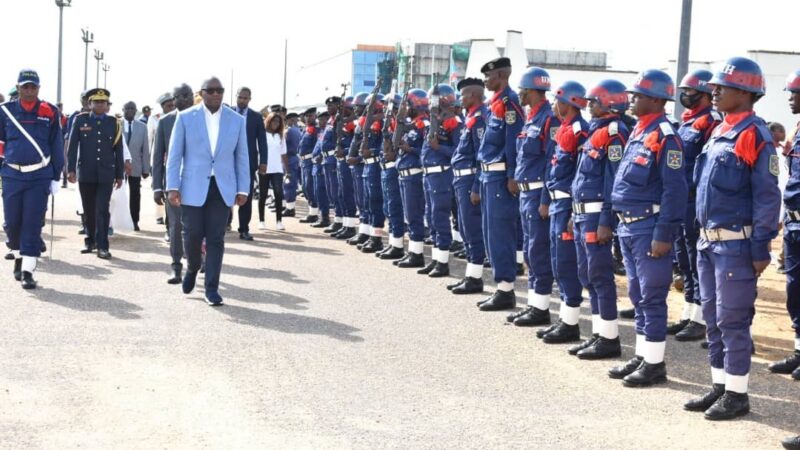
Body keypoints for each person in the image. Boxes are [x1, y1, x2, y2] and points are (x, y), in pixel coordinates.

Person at [685, 57, 780, 420]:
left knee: (732, 319)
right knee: (711, 316)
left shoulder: (754, 134)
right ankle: (720, 385)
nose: (715, 92)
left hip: (737, 245)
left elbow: (767, 196)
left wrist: (760, 247)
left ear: (744, 92)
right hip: (709, 243)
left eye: (722, 87)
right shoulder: (721, 131)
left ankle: (738, 395)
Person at [607, 69, 687, 387]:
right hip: (629, 227)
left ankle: (655, 365)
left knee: (652, 296)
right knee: (638, 295)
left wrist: (664, 233)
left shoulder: (665, 136)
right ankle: (643, 355)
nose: (632, 99)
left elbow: (675, 189)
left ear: (656, 99)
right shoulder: (641, 131)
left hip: (648, 226)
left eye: (638, 95)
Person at [166, 77, 250, 306]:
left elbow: (242, 157)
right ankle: (192, 267)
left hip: (222, 188)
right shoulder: (185, 118)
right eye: (210, 90)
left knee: (216, 238)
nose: (215, 94)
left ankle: (212, 288)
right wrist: (172, 187)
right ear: (201, 93)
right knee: (192, 234)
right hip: (192, 186)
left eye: (219, 90)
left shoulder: (236, 120)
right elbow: (174, 156)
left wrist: (243, 188)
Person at [568, 79, 631, 359]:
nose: (589, 105)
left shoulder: (615, 132)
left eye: (594, 101)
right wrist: (573, 213)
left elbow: (613, 180)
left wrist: (607, 220)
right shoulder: (596, 131)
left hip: (596, 217)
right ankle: (598, 333)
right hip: (583, 214)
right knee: (587, 275)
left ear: (610, 103)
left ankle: (609, 339)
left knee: (600, 276)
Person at [668, 70, 723, 341]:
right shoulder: (686, 122)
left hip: (694, 201)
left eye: (689, 91)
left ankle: (701, 319)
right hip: (679, 200)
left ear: (703, 94)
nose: (684, 95)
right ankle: (688, 312)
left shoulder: (709, 122)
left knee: (695, 258)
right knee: (684, 259)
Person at [0, 69, 64, 289]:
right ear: (17, 88)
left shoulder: (49, 111)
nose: (29, 90)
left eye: (33, 87)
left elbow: (56, 144)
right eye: (25, 86)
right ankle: (18, 256)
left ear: (38, 88)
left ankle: (28, 269)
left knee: (32, 222)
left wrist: (56, 176)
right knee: (12, 223)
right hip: (12, 175)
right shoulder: (5, 112)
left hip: (38, 176)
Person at [534, 81, 588, 343]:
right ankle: (564, 319)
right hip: (556, 203)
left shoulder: (580, 131)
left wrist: (572, 214)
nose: (554, 104)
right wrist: (545, 199)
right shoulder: (564, 129)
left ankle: (570, 324)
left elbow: (580, 175)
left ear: (569, 103)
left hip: (567, 204)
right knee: (557, 262)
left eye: (557, 100)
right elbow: (552, 168)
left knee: (567, 265)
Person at [504, 68, 556, 319]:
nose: (520, 94)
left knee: (538, 250)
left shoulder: (549, 119)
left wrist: (546, 199)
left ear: (533, 90)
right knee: (529, 250)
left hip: (538, 195)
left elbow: (551, 162)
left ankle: (541, 308)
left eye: (523, 90)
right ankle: (534, 304)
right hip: (526, 194)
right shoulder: (531, 118)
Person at [474, 57, 525, 311]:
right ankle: (500, 287)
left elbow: (513, 140)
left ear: (502, 76)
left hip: (501, 176)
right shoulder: (494, 104)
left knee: (500, 233)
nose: (485, 80)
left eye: (488, 76)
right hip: (488, 175)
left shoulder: (509, 102)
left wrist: (513, 174)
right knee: (489, 234)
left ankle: (506, 290)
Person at [67, 88, 124, 260]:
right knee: (88, 210)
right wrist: (70, 169)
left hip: (106, 173)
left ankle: (103, 245)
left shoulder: (114, 123)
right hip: (86, 172)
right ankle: (90, 240)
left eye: (103, 102)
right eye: (96, 102)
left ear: (107, 105)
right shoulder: (80, 120)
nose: (100, 105)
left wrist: (119, 174)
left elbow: (118, 151)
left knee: (102, 209)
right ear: (89, 104)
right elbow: (72, 147)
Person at [769, 70, 800, 379]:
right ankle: (798, 350)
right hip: (793, 224)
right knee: (794, 291)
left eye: (794, 93)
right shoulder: (798, 128)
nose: (789, 98)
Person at [447, 78, 489, 294]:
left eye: (463, 95)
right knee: (465, 228)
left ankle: (475, 279)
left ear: (473, 96)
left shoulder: (481, 119)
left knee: (472, 230)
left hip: (470, 179)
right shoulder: (470, 118)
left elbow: (482, 155)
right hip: (460, 178)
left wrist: (476, 186)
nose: (459, 99)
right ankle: (470, 275)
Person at [152, 83, 194, 284]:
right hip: (174, 184)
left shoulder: (203, 118)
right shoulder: (165, 122)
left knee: (196, 226)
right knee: (176, 226)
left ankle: (195, 261)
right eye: (181, 96)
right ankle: (176, 266)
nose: (186, 99)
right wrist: (158, 187)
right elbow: (158, 155)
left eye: (189, 95)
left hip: (198, 183)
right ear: (173, 100)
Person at [393, 89, 430, 268]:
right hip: (404, 174)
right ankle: (413, 251)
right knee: (409, 215)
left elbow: (428, 150)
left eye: (407, 104)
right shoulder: (411, 124)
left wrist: (411, 150)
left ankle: (417, 255)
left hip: (414, 175)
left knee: (414, 215)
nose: (405, 108)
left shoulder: (424, 124)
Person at [230, 87, 268, 241]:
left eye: (246, 98)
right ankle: (224, 223)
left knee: (246, 195)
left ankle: (244, 228)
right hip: (227, 162)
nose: (242, 100)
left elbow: (262, 141)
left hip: (248, 164)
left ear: (250, 99)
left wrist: (263, 162)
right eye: (240, 97)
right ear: (236, 97)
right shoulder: (227, 113)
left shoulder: (256, 117)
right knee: (225, 194)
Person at [374, 93, 406, 258]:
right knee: (388, 207)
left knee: (395, 207)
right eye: (385, 104)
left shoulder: (402, 123)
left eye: (389, 104)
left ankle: (398, 245)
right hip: (386, 167)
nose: (385, 107)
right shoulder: (389, 123)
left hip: (394, 168)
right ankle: (393, 243)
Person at [357, 93, 388, 253]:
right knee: (367, 201)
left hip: (376, 165)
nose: (367, 108)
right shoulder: (369, 121)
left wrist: (372, 151)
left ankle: (376, 238)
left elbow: (385, 145)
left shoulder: (383, 121)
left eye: (370, 106)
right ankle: (368, 234)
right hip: (367, 166)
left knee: (376, 202)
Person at [332, 97, 359, 241]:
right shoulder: (343, 122)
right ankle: (345, 225)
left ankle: (350, 227)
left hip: (348, 161)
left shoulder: (354, 124)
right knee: (341, 194)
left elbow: (357, 143)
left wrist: (346, 150)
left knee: (348, 194)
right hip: (340, 161)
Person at [121, 101, 151, 231]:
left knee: (135, 194)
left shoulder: (142, 127)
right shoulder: (116, 124)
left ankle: (134, 221)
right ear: (123, 110)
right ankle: (118, 221)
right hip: (119, 167)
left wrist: (146, 168)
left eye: (133, 109)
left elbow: (145, 149)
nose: (130, 111)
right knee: (118, 195)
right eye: (127, 108)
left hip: (136, 167)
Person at [320, 96, 344, 235]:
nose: (329, 108)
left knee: (336, 192)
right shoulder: (330, 120)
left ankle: (339, 220)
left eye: (332, 106)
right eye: (328, 106)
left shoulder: (338, 120)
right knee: (331, 192)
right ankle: (337, 219)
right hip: (326, 160)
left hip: (333, 159)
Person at [261, 112, 288, 230]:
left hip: (277, 169)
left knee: (278, 193)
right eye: (273, 121)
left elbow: (284, 154)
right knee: (263, 194)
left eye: (278, 122)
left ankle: (279, 221)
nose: (275, 124)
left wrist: (288, 170)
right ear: (269, 121)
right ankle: (261, 221)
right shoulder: (262, 134)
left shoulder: (280, 136)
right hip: (263, 168)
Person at [298, 107, 320, 224]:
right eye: (307, 116)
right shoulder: (306, 129)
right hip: (303, 162)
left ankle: (314, 214)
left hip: (311, 161)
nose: (308, 118)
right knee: (305, 188)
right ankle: (312, 212)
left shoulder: (316, 130)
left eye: (311, 116)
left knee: (310, 187)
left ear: (315, 116)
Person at [282, 112, 301, 217]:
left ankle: (290, 208)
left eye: (287, 120)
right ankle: (290, 207)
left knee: (288, 184)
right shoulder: (298, 130)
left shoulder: (289, 131)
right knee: (291, 184)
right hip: (294, 158)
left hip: (288, 159)